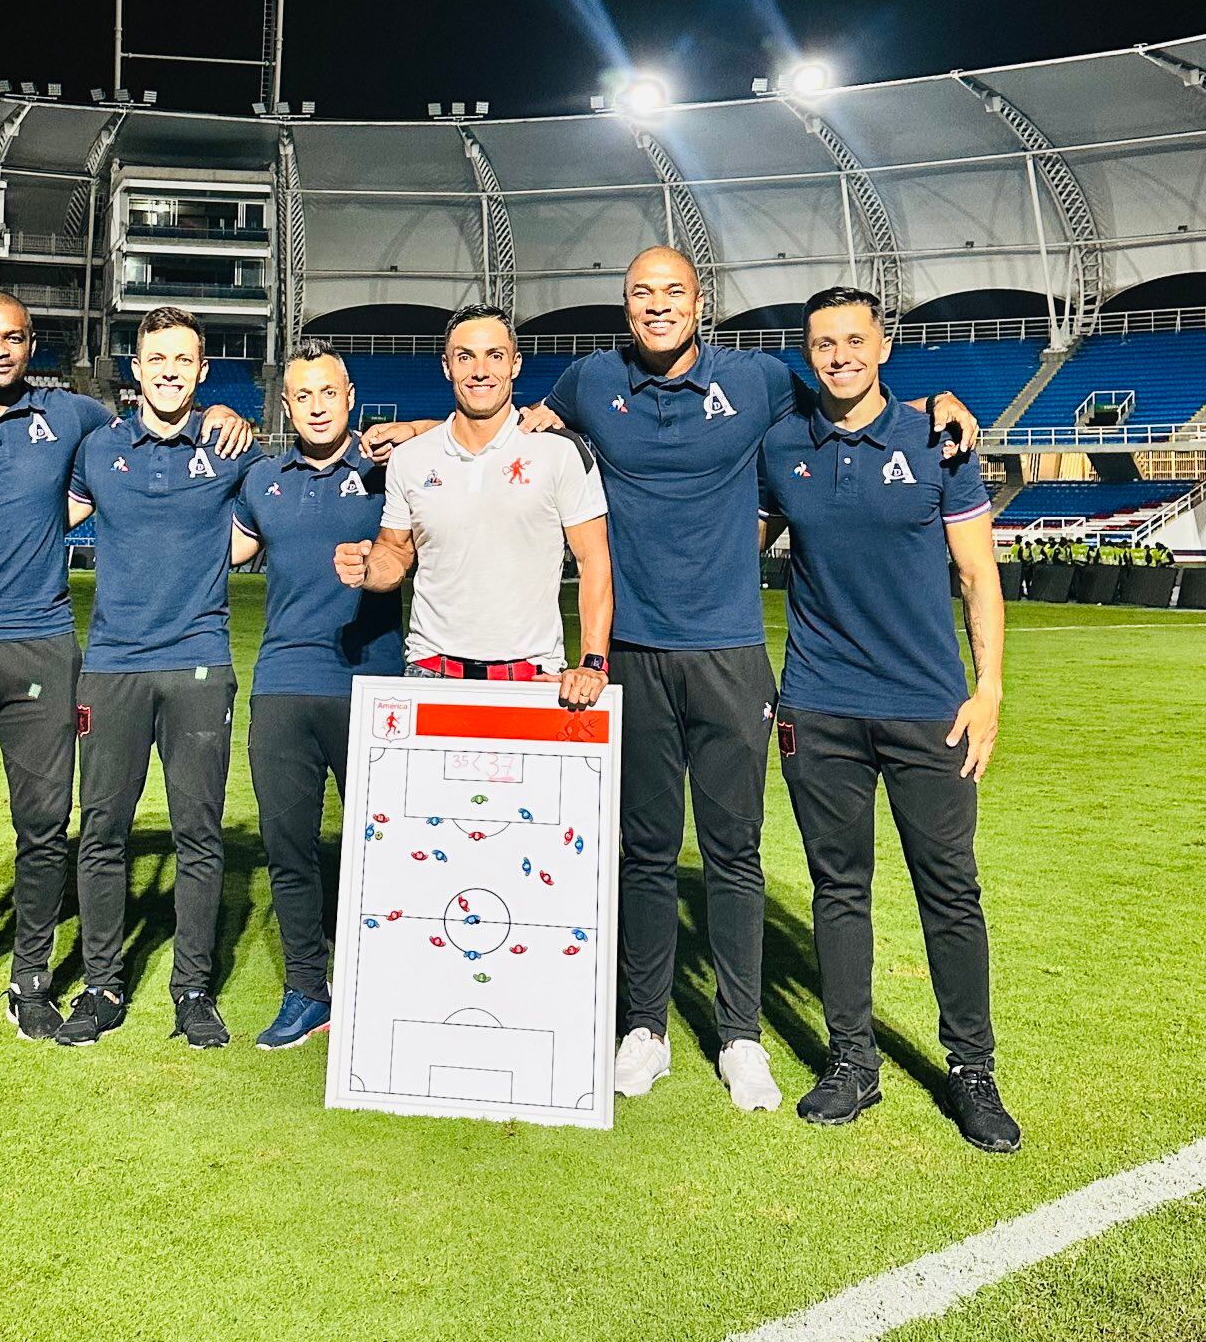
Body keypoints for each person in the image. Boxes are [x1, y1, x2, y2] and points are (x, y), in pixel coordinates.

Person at [516, 247, 979, 1110]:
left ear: (702, 302)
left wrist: (933, 403)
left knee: (735, 855)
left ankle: (740, 1038)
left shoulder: (762, 379)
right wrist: (410, 436)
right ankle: (643, 1029)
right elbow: (514, 428)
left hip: (732, 653)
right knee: (645, 854)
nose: (658, 307)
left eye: (675, 293)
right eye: (642, 294)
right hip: (632, 656)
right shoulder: (587, 382)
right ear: (625, 308)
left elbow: (853, 403)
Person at [0, 289, 249, 1053]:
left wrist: (224, 414)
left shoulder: (73, 420)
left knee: (45, 827)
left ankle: (31, 983)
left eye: (13, 337)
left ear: (32, 344)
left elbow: (162, 423)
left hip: (42, 645)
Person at [759, 285, 1020, 1152]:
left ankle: (972, 1071)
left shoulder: (937, 440)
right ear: (809, 353)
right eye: (823, 342)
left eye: (853, 339)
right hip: (819, 708)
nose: (838, 355)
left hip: (926, 713)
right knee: (840, 889)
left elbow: (980, 579)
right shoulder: (781, 446)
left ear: (882, 347)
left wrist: (987, 694)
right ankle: (852, 1064)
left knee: (950, 890)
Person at [55, 307, 257, 1051]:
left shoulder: (229, 447)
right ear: (134, 369)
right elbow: (47, 519)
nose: (169, 369)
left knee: (198, 834)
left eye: (184, 359)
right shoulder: (98, 450)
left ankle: (193, 991)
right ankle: (102, 986)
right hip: (111, 666)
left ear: (203, 373)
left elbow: (262, 527)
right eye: (156, 358)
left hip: (201, 664)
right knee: (102, 831)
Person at [230, 339, 404, 1050]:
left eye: (328, 392)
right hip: (283, 686)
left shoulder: (390, 472)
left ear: (351, 394)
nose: (317, 406)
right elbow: (219, 551)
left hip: (373, 686)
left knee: (389, 850)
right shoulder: (261, 481)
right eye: (303, 396)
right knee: (288, 847)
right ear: (287, 405)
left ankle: (390, 987)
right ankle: (307, 990)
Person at [334, 305, 612, 717]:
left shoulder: (560, 451)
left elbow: (593, 560)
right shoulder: (411, 458)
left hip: (532, 680)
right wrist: (367, 568)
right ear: (447, 366)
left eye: (494, 355)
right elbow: (395, 551)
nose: (480, 370)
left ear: (515, 364)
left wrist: (592, 662)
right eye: (465, 356)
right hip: (430, 678)